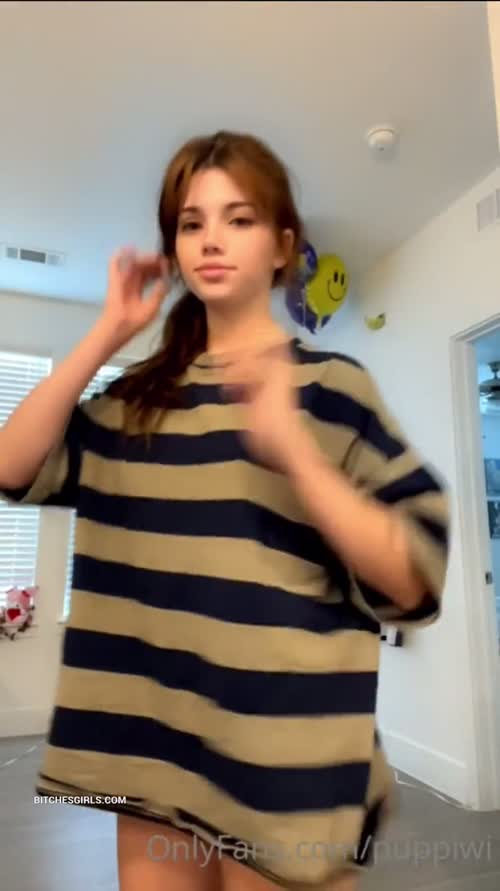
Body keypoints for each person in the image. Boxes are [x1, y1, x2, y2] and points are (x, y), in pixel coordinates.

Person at [0, 131, 449, 891]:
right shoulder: (135, 400)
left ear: (283, 246)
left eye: (239, 219)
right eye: (191, 222)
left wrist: (299, 457)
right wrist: (108, 332)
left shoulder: (334, 389)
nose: (211, 239)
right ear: (175, 249)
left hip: (286, 758)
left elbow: (415, 581)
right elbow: (12, 468)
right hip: (145, 747)